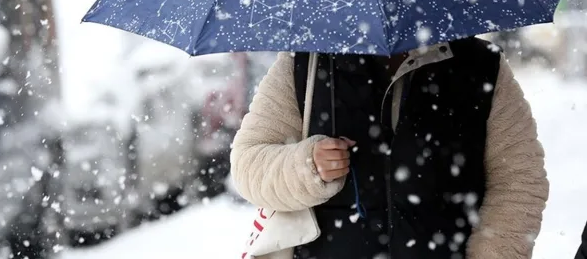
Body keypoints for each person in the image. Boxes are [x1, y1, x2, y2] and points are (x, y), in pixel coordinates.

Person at [230, 37, 549, 259]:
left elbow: (519, 180)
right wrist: (307, 166)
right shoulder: (306, 62)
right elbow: (249, 163)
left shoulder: (480, 65)